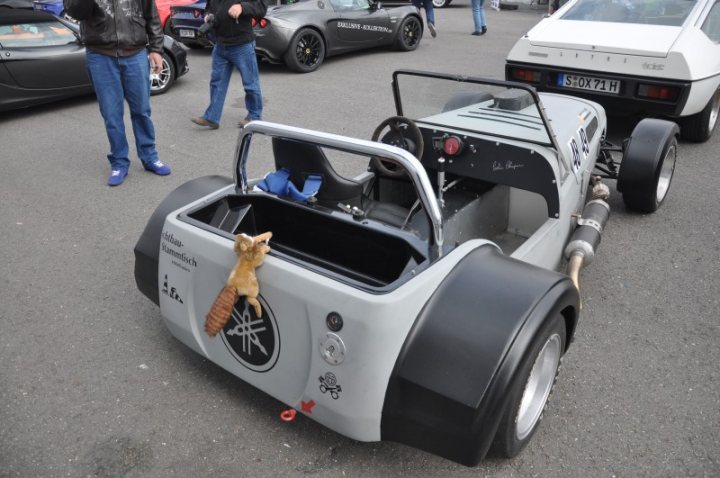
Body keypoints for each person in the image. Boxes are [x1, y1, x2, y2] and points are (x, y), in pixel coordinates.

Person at [63, 0, 171, 187]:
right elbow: (75, 11)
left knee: (142, 111)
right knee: (112, 114)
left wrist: (156, 49)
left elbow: (151, 16)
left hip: (135, 52)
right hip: (100, 54)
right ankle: (119, 162)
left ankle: (149, 157)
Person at [191, 0, 267, 130]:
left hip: (242, 44)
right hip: (220, 45)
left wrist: (242, 7)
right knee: (216, 83)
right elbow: (209, 7)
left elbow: (261, 8)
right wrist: (208, 15)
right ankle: (212, 118)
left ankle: (255, 116)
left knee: (250, 84)